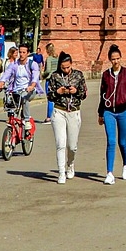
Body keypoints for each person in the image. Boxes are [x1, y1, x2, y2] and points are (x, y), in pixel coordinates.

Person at [100, 45, 126, 183]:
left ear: (121, 58)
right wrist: (100, 113)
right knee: (111, 141)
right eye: (113, 59)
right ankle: (109, 173)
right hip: (109, 112)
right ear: (109, 60)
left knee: (122, 142)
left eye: (117, 58)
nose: (116, 61)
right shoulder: (106, 75)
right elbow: (102, 94)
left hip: (124, 111)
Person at [46, 52, 87, 183]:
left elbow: (84, 94)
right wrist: (58, 92)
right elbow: (49, 95)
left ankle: (71, 164)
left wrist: (76, 91)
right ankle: (61, 172)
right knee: (60, 144)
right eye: (63, 68)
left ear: (71, 65)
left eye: (68, 67)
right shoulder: (55, 76)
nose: (66, 70)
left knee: (72, 146)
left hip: (74, 112)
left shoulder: (78, 75)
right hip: (59, 111)